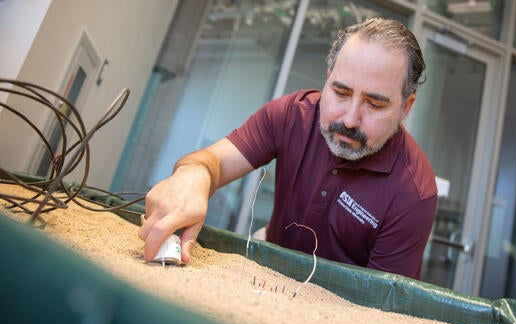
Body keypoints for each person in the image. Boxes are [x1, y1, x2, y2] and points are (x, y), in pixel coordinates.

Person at [138, 17, 438, 279]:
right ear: (327, 78)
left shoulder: (413, 193)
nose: (349, 119)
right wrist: (194, 175)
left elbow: (380, 309)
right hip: (267, 273)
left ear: (405, 108)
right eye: (341, 92)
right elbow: (213, 162)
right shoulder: (293, 115)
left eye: (374, 104)